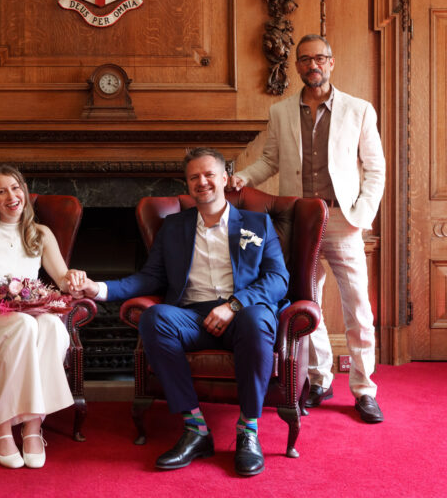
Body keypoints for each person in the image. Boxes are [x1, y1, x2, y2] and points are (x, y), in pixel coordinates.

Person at [74, 147, 289, 477]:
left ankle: (248, 430)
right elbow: (150, 277)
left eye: (209, 175)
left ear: (226, 179)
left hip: (242, 314)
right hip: (191, 318)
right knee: (155, 317)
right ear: (187, 184)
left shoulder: (258, 224)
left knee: (258, 318)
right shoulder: (174, 227)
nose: (202, 182)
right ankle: (196, 429)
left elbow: (277, 279)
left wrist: (233, 306)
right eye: (194, 177)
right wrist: (99, 288)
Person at [230, 34, 386, 424]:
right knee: (305, 301)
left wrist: (360, 216)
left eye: (319, 58)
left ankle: (365, 389)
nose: (312, 65)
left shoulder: (359, 110)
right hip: (299, 223)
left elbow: (376, 169)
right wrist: (242, 178)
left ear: (331, 63)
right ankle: (319, 379)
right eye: (304, 59)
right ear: (297, 66)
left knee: (358, 308)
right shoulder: (281, 112)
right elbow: (269, 160)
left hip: (342, 222)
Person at [0, 165, 88, 469]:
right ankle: (1, 425)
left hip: (28, 311)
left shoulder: (41, 234)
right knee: (26, 325)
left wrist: (74, 277)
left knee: (53, 326)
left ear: (24, 191)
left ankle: (33, 427)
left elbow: (62, 278)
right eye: (1, 191)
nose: (11, 196)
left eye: (15, 188)